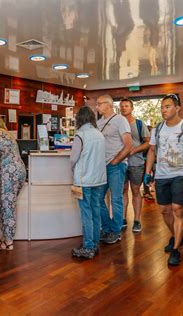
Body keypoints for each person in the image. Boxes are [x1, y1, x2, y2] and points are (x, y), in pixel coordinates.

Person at [144, 94, 183, 266]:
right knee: (164, 211)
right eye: (162, 107)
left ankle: (176, 249)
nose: (163, 110)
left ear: (177, 108)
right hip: (162, 175)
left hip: (181, 173)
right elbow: (152, 151)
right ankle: (177, 236)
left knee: (178, 209)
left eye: (167, 106)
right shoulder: (158, 128)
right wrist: (147, 172)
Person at [70, 106, 107, 259]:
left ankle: (88, 246)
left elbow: (73, 158)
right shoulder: (99, 134)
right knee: (96, 211)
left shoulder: (81, 135)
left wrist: (73, 171)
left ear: (79, 118)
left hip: (84, 180)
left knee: (86, 213)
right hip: (99, 179)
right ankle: (95, 243)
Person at [96, 95, 133, 244]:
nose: (97, 106)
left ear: (108, 105)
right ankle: (107, 228)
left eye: (99, 104)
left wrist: (116, 160)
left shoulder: (120, 120)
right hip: (101, 166)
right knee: (98, 199)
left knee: (116, 199)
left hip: (116, 166)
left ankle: (116, 231)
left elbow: (128, 145)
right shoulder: (98, 123)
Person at [0, 117, 26, 250]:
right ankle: (5, 237)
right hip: (20, 169)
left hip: (9, 171)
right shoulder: (9, 135)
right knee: (2, 204)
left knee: (7, 205)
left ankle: (8, 242)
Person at [119, 98, 150, 233]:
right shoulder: (117, 124)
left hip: (136, 163)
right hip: (121, 163)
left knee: (136, 191)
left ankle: (137, 220)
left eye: (126, 106)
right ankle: (123, 219)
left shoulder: (139, 124)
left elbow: (148, 142)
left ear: (132, 108)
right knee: (123, 191)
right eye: (121, 106)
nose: (124, 108)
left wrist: (135, 150)